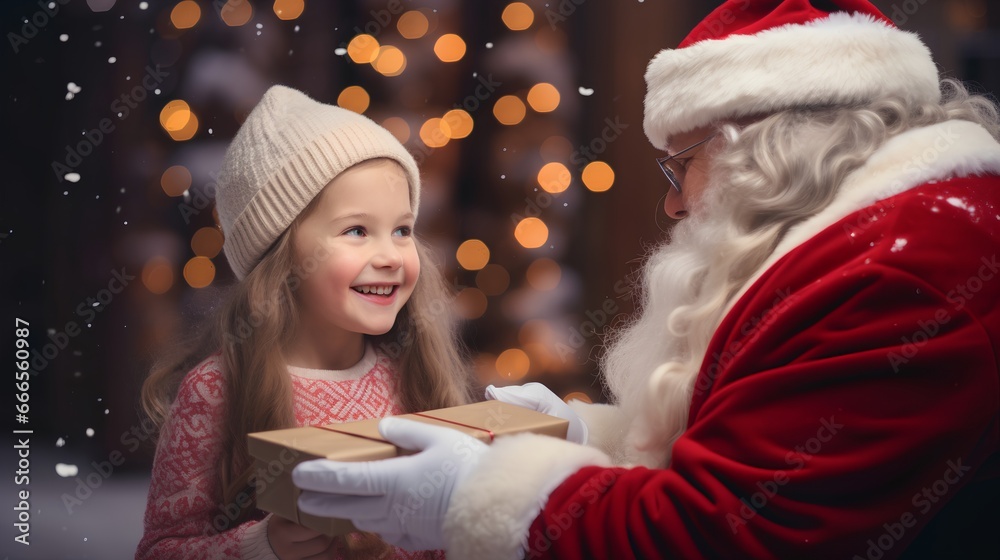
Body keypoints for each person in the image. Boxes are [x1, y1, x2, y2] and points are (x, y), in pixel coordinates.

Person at [288, 1, 1000, 558]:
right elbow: (751, 440)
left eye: (682, 163)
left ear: (770, 150)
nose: (673, 202)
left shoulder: (896, 272)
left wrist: (478, 497)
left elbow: (724, 535)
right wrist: (580, 437)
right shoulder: (872, 240)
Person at [135, 85, 471, 560]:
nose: (391, 255)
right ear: (282, 256)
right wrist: (262, 544)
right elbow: (159, 551)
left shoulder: (415, 376)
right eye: (357, 230)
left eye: (402, 229)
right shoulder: (215, 391)